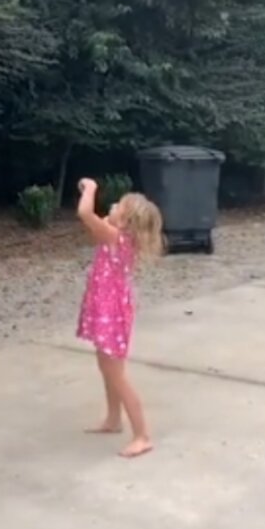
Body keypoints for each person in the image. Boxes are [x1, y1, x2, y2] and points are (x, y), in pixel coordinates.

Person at [75, 178, 165, 458]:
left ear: (125, 222)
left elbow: (84, 214)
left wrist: (90, 190)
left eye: (118, 207)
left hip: (111, 312)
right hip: (110, 309)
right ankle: (113, 419)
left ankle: (142, 435)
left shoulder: (116, 237)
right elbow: (95, 226)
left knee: (116, 374)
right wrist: (109, 218)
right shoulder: (117, 235)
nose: (112, 206)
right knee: (107, 366)